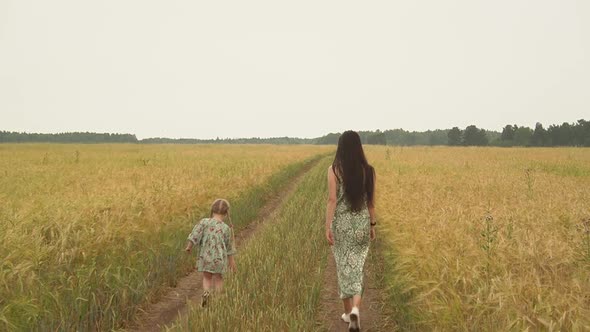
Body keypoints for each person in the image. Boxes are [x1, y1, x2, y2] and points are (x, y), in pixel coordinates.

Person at [325, 130, 376, 332]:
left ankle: (348, 314)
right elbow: (371, 202)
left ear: (341, 147)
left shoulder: (334, 170)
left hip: (342, 226)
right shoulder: (369, 171)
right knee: (358, 269)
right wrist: (373, 225)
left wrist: (327, 226)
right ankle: (356, 310)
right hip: (362, 225)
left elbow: (332, 200)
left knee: (344, 269)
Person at [185, 198, 237, 307]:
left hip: (205, 257)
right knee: (218, 278)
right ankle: (218, 299)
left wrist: (189, 246)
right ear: (227, 213)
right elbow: (229, 247)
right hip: (219, 259)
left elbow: (195, 235)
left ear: (212, 210)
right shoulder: (226, 228)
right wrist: (231, 262)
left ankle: (206, 293)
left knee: (207, 277)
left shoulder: (204, 222)